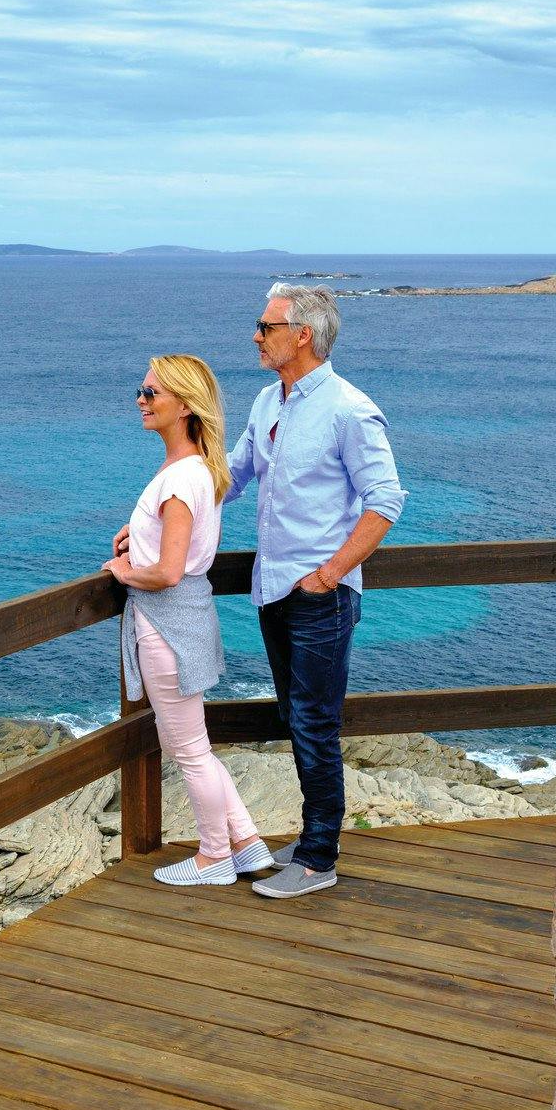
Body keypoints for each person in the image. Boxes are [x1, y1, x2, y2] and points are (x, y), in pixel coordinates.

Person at [224, 283, 406, 898]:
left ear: (301, 334)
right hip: (273, 591)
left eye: (265, 326)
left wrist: (328, 574)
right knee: (295, 718)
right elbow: (233, 476)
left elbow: (386, 501)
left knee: (313, 723)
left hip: (320, 596)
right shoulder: (265, 403)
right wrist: (159, 512)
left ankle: (319, 858)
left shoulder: (349, 409)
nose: (256, 335)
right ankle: (309, 841)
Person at [103, 355, 276, 887]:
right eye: (142, 389)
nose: (141, 399)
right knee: (195, 744)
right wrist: (141, 536)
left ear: (184, 405)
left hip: (166, 624)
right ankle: (246, 844)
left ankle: (212, 857)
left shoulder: (179, 479)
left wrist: (124, 571)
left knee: (188, 751)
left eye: (152, 392)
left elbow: (169, 572)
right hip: (189, 620)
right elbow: (183, 543)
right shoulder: (199, 467)